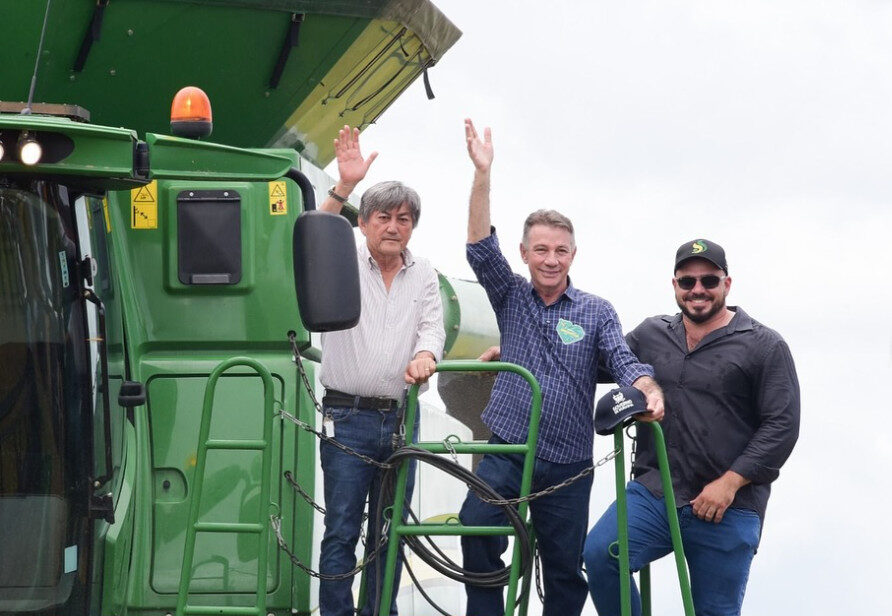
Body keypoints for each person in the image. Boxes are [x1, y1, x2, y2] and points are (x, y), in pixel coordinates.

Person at [459, 118, 665, 616]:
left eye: (560, 251)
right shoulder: (510, 294)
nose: (551, 260)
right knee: (476, 527)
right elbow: (479, 248)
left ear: (573, 254)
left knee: (564, 570)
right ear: (524, 253)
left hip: (569, 461)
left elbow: (622, 359)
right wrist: (483, 174)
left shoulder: (596, 310)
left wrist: (647, 388)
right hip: (509, 447)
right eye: (541, 250)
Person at [583, 239, 800, 616]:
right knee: (601, 554)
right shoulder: (650, 334)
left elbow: (782, 425)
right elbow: (592, 362)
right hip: (656, 491)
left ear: (726, 284)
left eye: (709, 280)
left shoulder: (764, 345)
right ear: (675, 285)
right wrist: (517, 351)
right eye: (687, 281)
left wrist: (728, 484)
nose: (697, 289)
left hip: (728, 505)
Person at [317, 125, 446, 616]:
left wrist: (426, 356)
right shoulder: (343, 257)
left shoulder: (425, 272)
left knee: (390, 532)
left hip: (401, 418)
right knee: (342, 529)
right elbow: (312, 236)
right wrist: (345, 185)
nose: (394, 227)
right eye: (384, 217)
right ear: (365, 222)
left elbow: (432, 328)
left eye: (404, 219)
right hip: (346, 417)